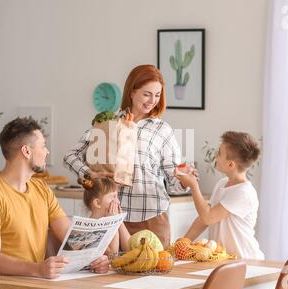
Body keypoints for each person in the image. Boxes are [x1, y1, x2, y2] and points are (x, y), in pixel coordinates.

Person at [64, 64, 197, 248]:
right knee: (111, 274)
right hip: (113, 216)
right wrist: (89, 174)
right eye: (147, 94)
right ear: (132, 92)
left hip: (154, 219)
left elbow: (174, 184)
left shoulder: (162, 130)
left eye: (157, 95)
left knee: (155, 274)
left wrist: (184, 178)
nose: (152, 101)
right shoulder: (110, 123)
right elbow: (71, 156)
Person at [0, 117, 109, 281]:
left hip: (33, 285)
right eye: (43, 146)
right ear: (26, 151)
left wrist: (93, 258)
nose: (47, 151)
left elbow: (70, 237)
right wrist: (37, 269)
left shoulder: (42, 190)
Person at [177, 131, 264, 259]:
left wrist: (193, 186)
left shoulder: (243, 193)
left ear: (231, 165)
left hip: (245, 260)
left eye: (219, 154)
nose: (215, 157)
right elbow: (203, 219)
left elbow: (208, 217)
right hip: (223, 259)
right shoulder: (222, 184)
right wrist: (184, 242)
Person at [77, 176, 130, 255]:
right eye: (113, 197)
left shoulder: (112, 217)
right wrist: (112, 223)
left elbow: (129, 248)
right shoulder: (88, 231)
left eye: (117, 196)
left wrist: (119, 221)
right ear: (97, 203)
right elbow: (112, 254)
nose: (118, 202)